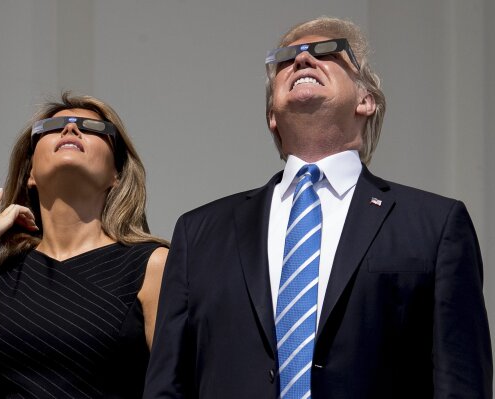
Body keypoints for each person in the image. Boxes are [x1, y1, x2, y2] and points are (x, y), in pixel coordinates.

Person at [143, 16, 492, 398]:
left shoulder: (435, 225)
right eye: (285, 58)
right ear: (272, 117)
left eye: (327, 51)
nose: (302, 60)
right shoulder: (200, 234)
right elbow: (167, 385)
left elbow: (461, 383)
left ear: (366, 100)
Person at [0, 93, 168, 398]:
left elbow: (180, 382)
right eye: (53, 126)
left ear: (116, 175)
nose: (70, 129)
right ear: (30, 173)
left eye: (92, 128)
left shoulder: (152, 266)